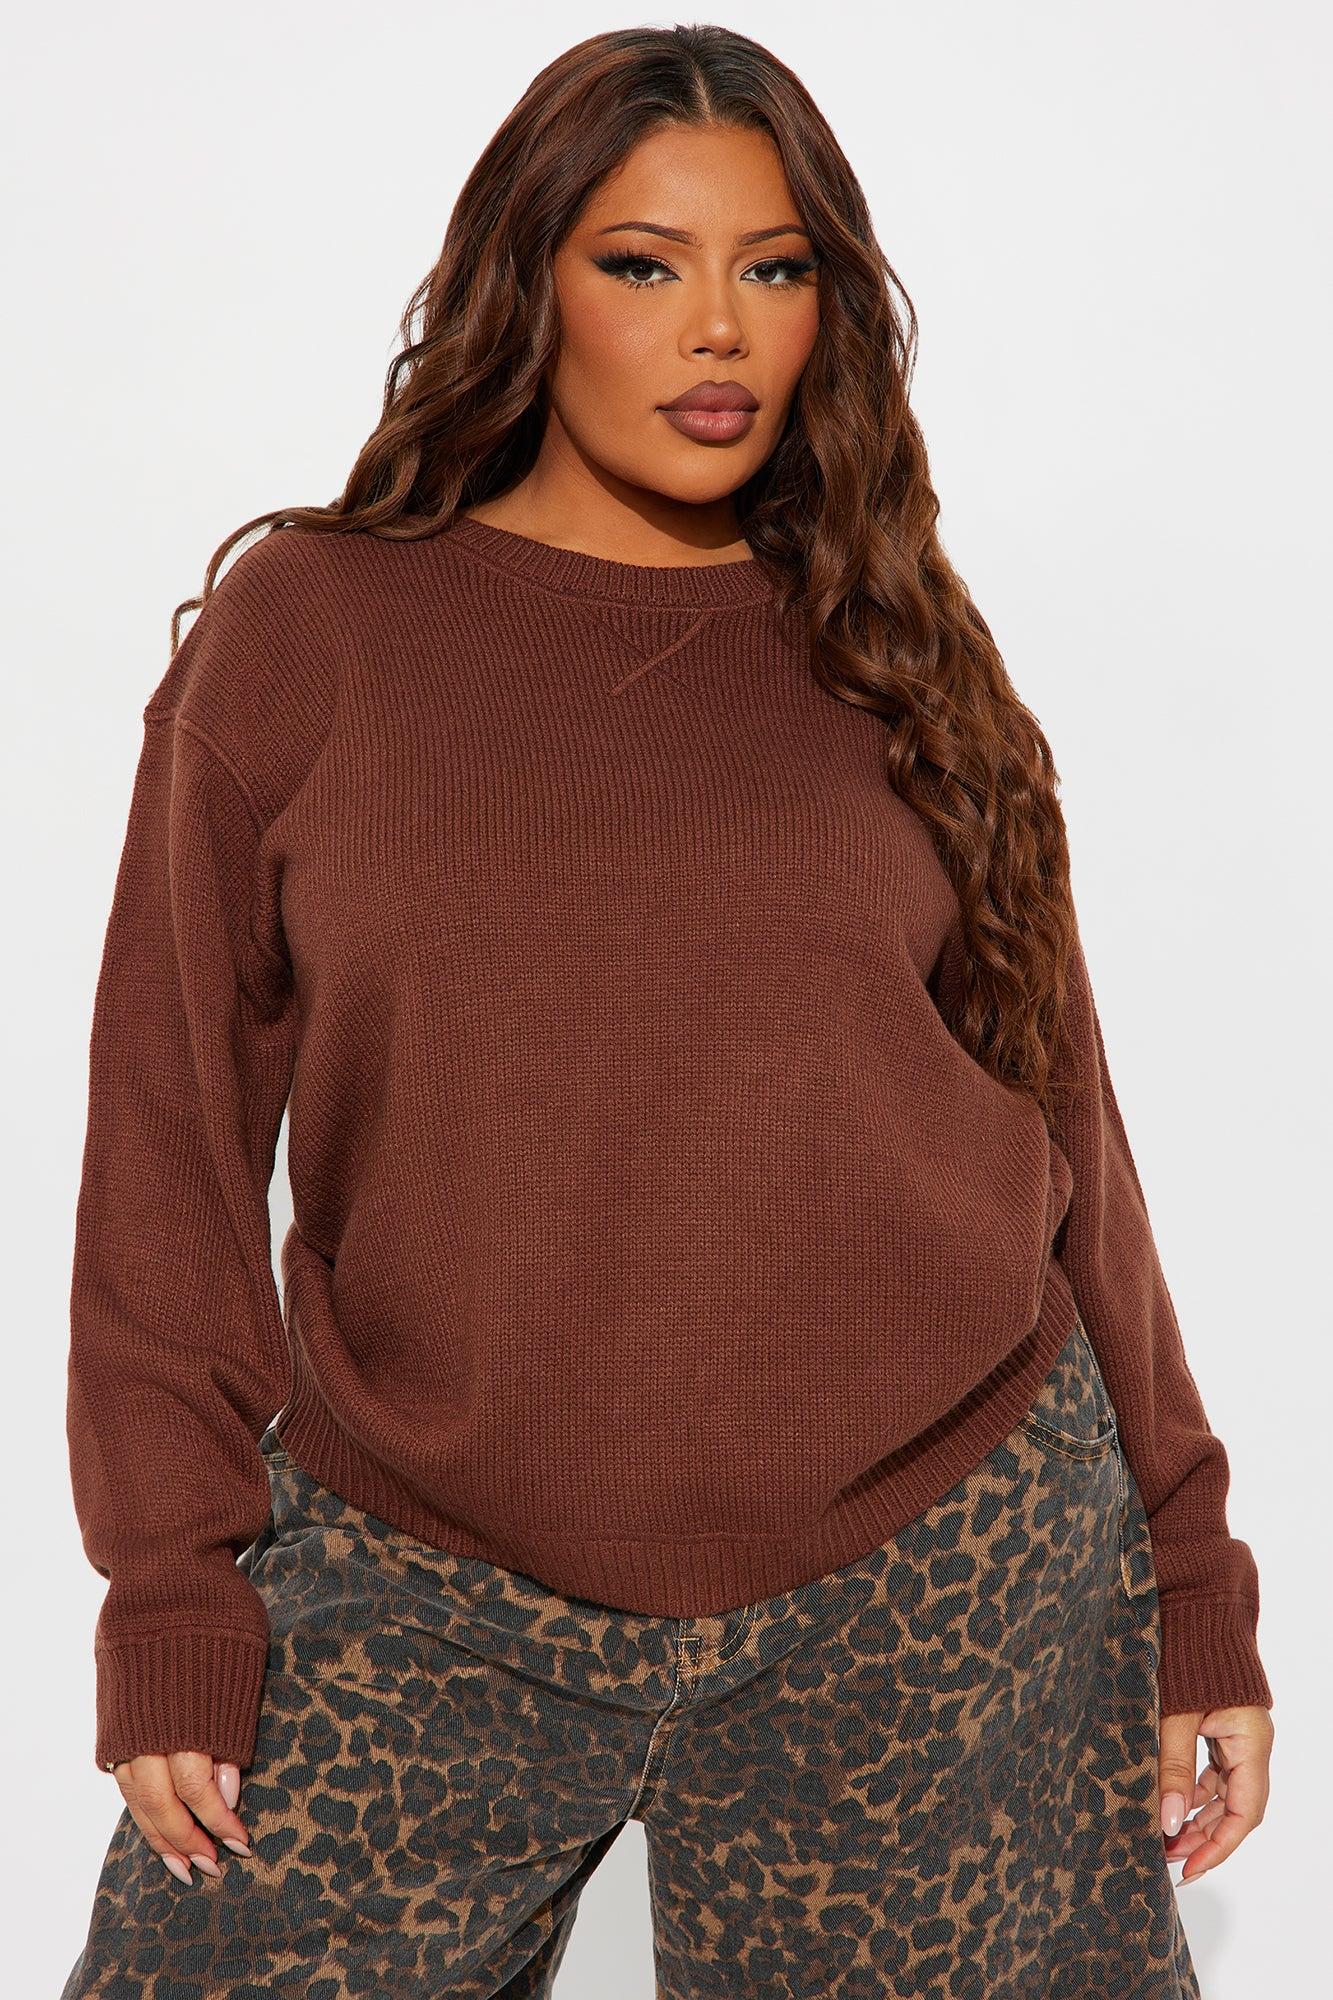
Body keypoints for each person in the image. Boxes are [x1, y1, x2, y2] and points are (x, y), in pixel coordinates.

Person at [61, 22, 1272, 1997]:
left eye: (773, 268)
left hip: (930, 1574)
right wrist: (172, 1593)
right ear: (525, 282)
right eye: (643, 263)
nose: (718, 328)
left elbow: (1066, 1133)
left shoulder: (900, 648)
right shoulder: (314, 634)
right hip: (419, 1575)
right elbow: (166, 1150)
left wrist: (1189, 1571)